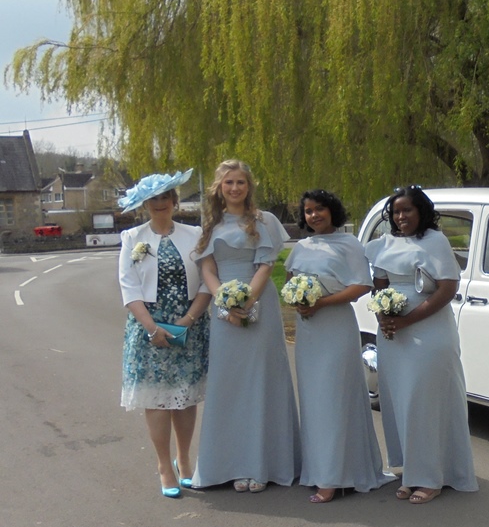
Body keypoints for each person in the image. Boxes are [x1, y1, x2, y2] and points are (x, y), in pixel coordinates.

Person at [364, 185, 478, 504]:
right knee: (401, 400)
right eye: (396, 211)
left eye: (408, 210)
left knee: (425, 402)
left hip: (429, 331)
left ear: (421, 212)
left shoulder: (435, 241)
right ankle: (412, 470)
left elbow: (446, 290)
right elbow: (380, 285)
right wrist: (384, 314)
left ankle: (432, 477)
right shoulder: (382, 244)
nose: (401, 217)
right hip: (393, 335)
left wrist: (407, 319)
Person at [191, 160, 300, 493]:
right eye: (229, 183)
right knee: (230, 384)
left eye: (240, 182)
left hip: (259, 304)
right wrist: (225, 300)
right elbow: (207, 270)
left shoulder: (263, 220)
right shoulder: (210, 225)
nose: (235, 188)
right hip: (223, 306)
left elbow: (266, 265)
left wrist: (247, 301)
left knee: (261, 380)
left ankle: (265, 464)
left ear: (249, 186)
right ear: (219, 188)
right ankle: (227, 464)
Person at [285, 189, 395, 503]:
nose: (314, 215)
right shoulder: (302, 246)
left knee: (335, 397)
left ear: (333, 211)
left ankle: (333, 477)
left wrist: (321, 302)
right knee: (313, 398)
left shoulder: (349, 244)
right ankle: (319, 469)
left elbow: (362, 285)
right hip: (308, 331)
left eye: (319, 209)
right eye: (308, 211)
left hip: (335, 326)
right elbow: (291, 277)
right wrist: (300, 298)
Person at [117, 169, 212, 499]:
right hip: (149, 328)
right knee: (157, 399)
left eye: (165, 198)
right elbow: (129, 288)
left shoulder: (195, 234)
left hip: (189, 323)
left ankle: (184, 460)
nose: (160, 203)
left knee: (184, 397)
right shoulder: (132, 238)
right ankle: (163, 465)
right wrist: (152, 328)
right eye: (153, 199)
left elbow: (206, 282)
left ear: (175, 201)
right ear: (146, 204)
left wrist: (187, 320)